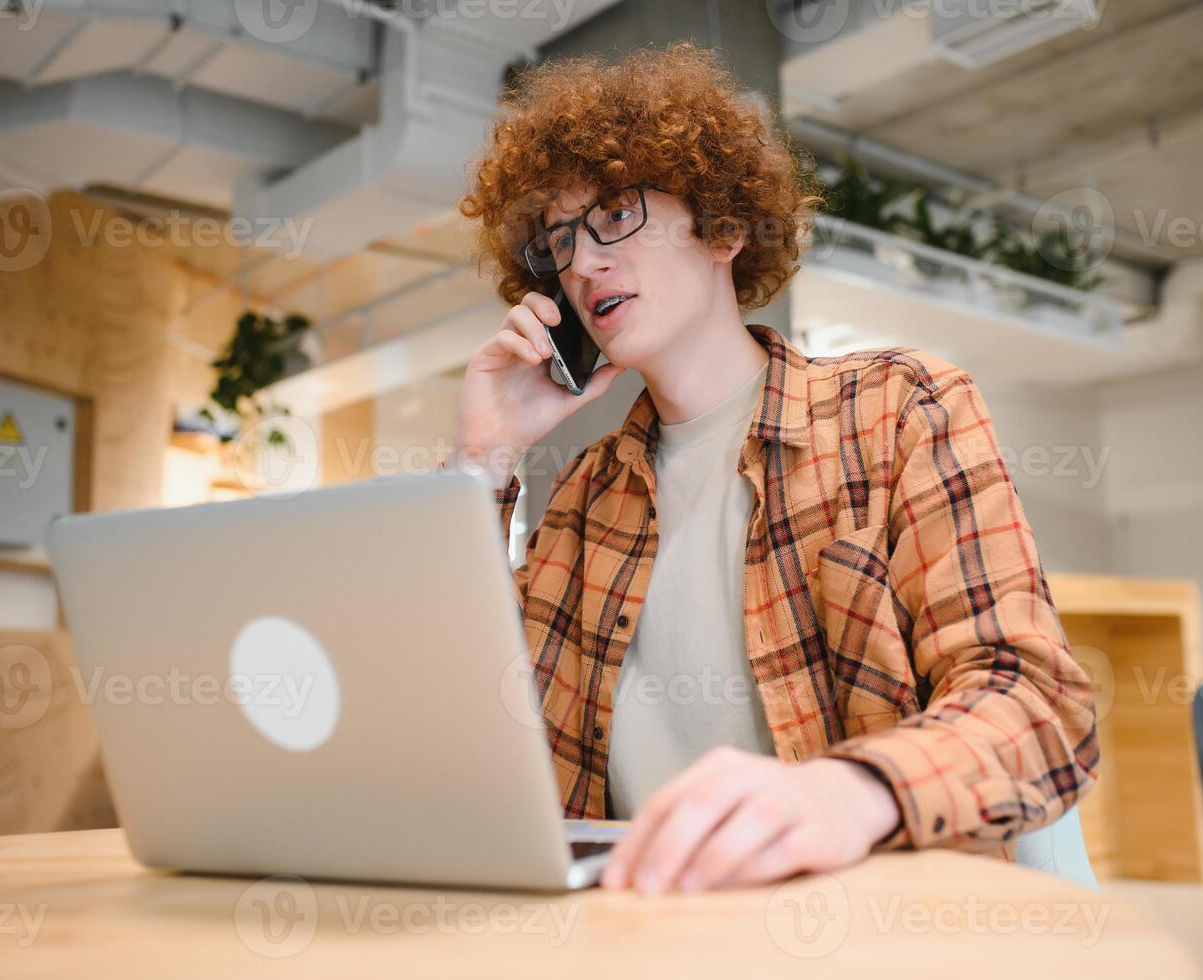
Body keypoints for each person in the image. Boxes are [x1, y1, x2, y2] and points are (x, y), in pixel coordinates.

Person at [452, 42, 1098, 894]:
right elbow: (466, 736)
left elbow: (1036, 701)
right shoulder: (584, 499)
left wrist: (848, 791)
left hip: (869, 931)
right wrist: (481, 460)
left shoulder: (898, 409)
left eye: (613, 216)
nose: (581, 264)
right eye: (559, 241)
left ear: (721, 227)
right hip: (641, 933)